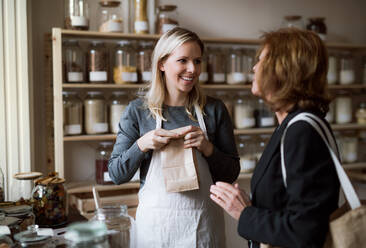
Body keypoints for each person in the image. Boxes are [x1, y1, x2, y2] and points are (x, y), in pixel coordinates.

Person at [108, 27, 240, 247]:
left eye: (197, 61)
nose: (192, 69)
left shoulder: (215, 109)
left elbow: (231, 173)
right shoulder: (138, 111)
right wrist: (142, 144)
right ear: (162, 63)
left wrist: (207, 148)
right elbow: (116, 174)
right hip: (156, 232)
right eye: (183, 60)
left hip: (203, 229)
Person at [210, 28, 340, 248]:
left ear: (282, 70)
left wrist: (244, 213)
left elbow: (306, 231)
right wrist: (251, 206)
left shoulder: (301, 131)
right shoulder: (289, 125)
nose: (253, 68)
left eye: (260, 60)